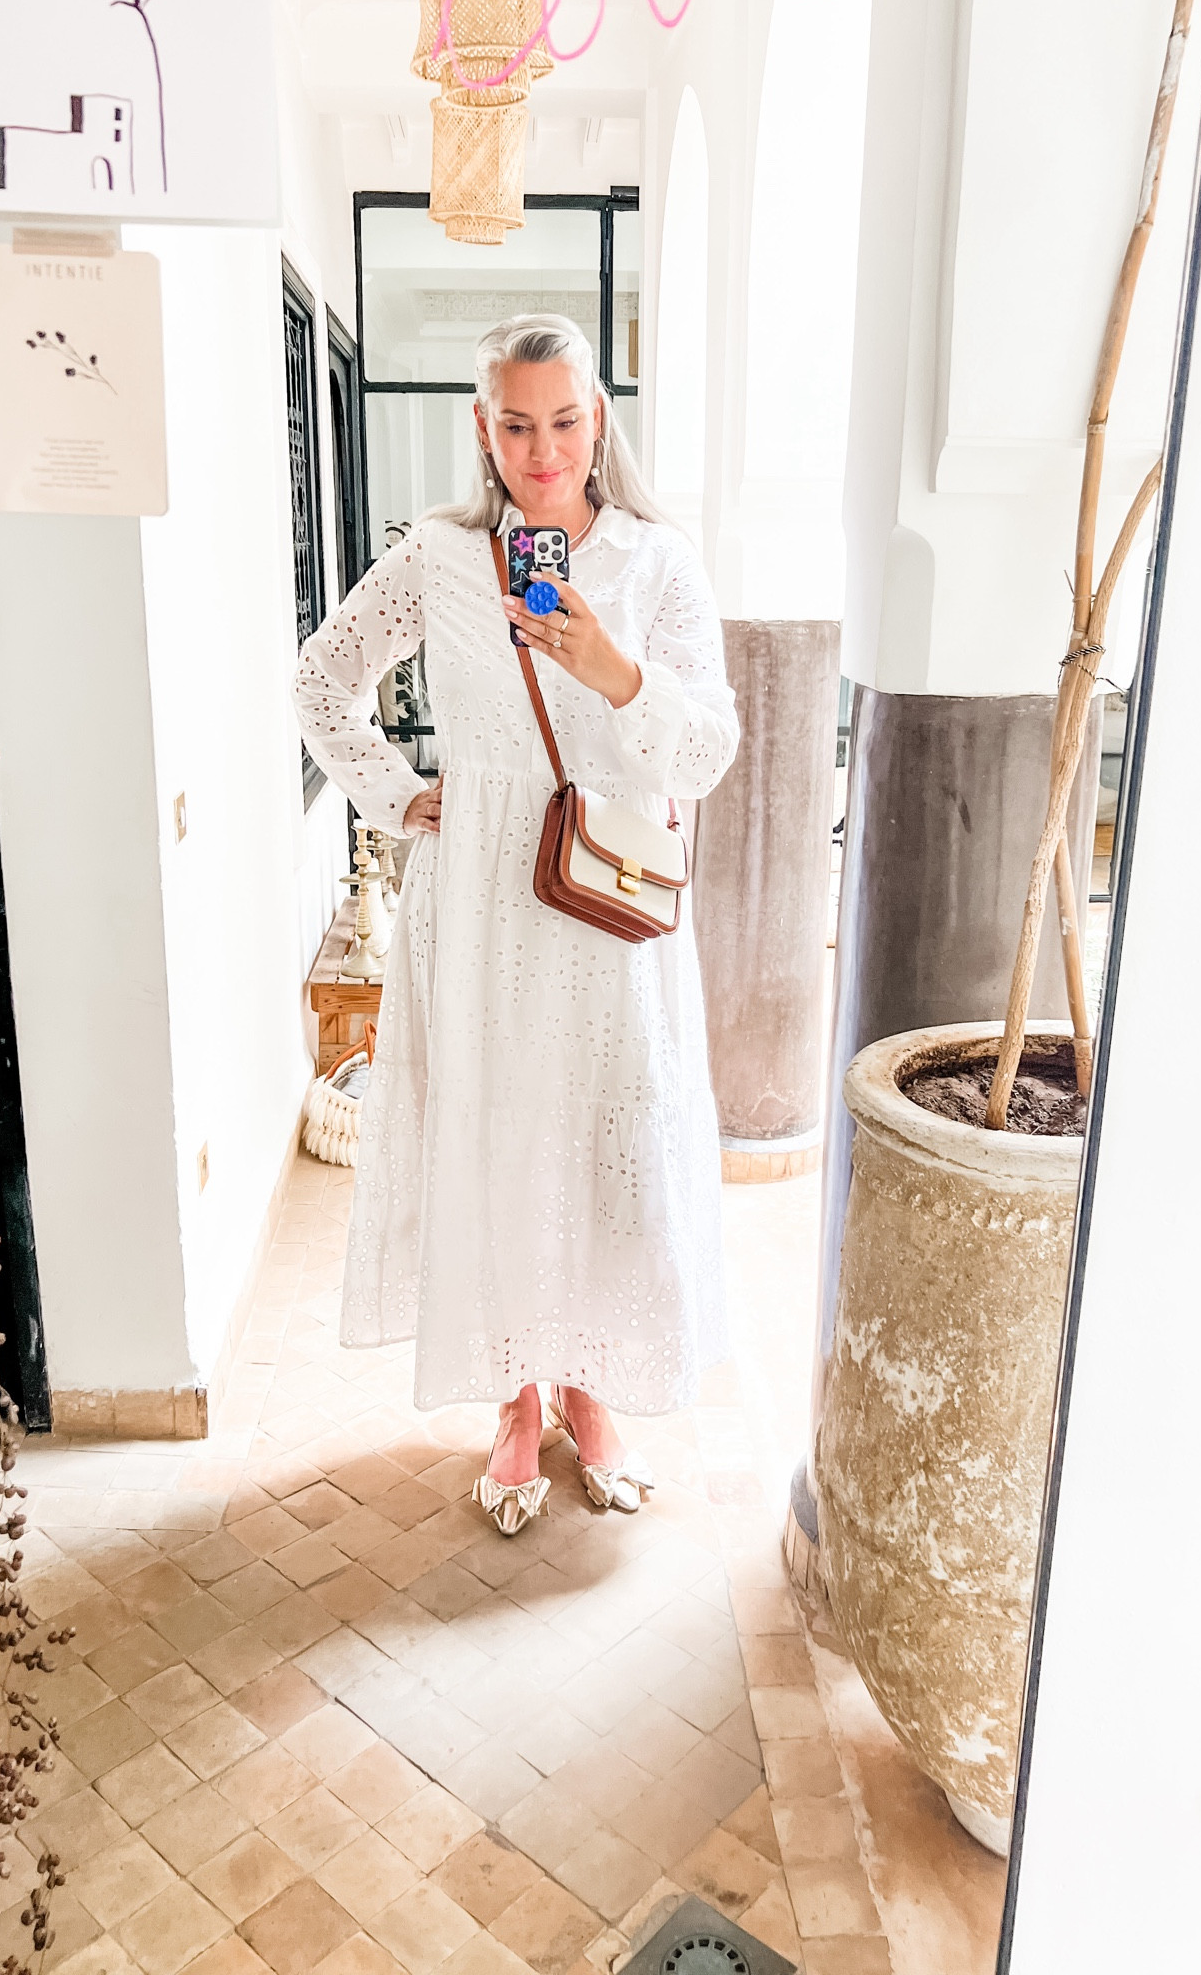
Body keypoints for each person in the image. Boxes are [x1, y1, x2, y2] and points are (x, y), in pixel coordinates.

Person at [293, 314, 739, 1535]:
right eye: (515, 422)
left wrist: (614, 669)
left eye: (563, 418)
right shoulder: (442, 558)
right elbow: (322, 676)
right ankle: (514, 1393)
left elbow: (704, 751)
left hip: (610, 904)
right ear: (482, 430)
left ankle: (593, 1386)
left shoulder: (657, 562)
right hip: (484, 898)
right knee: (498, 1137)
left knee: (605, 1153)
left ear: (599, 421)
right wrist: (398, 794)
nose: (541, 448)